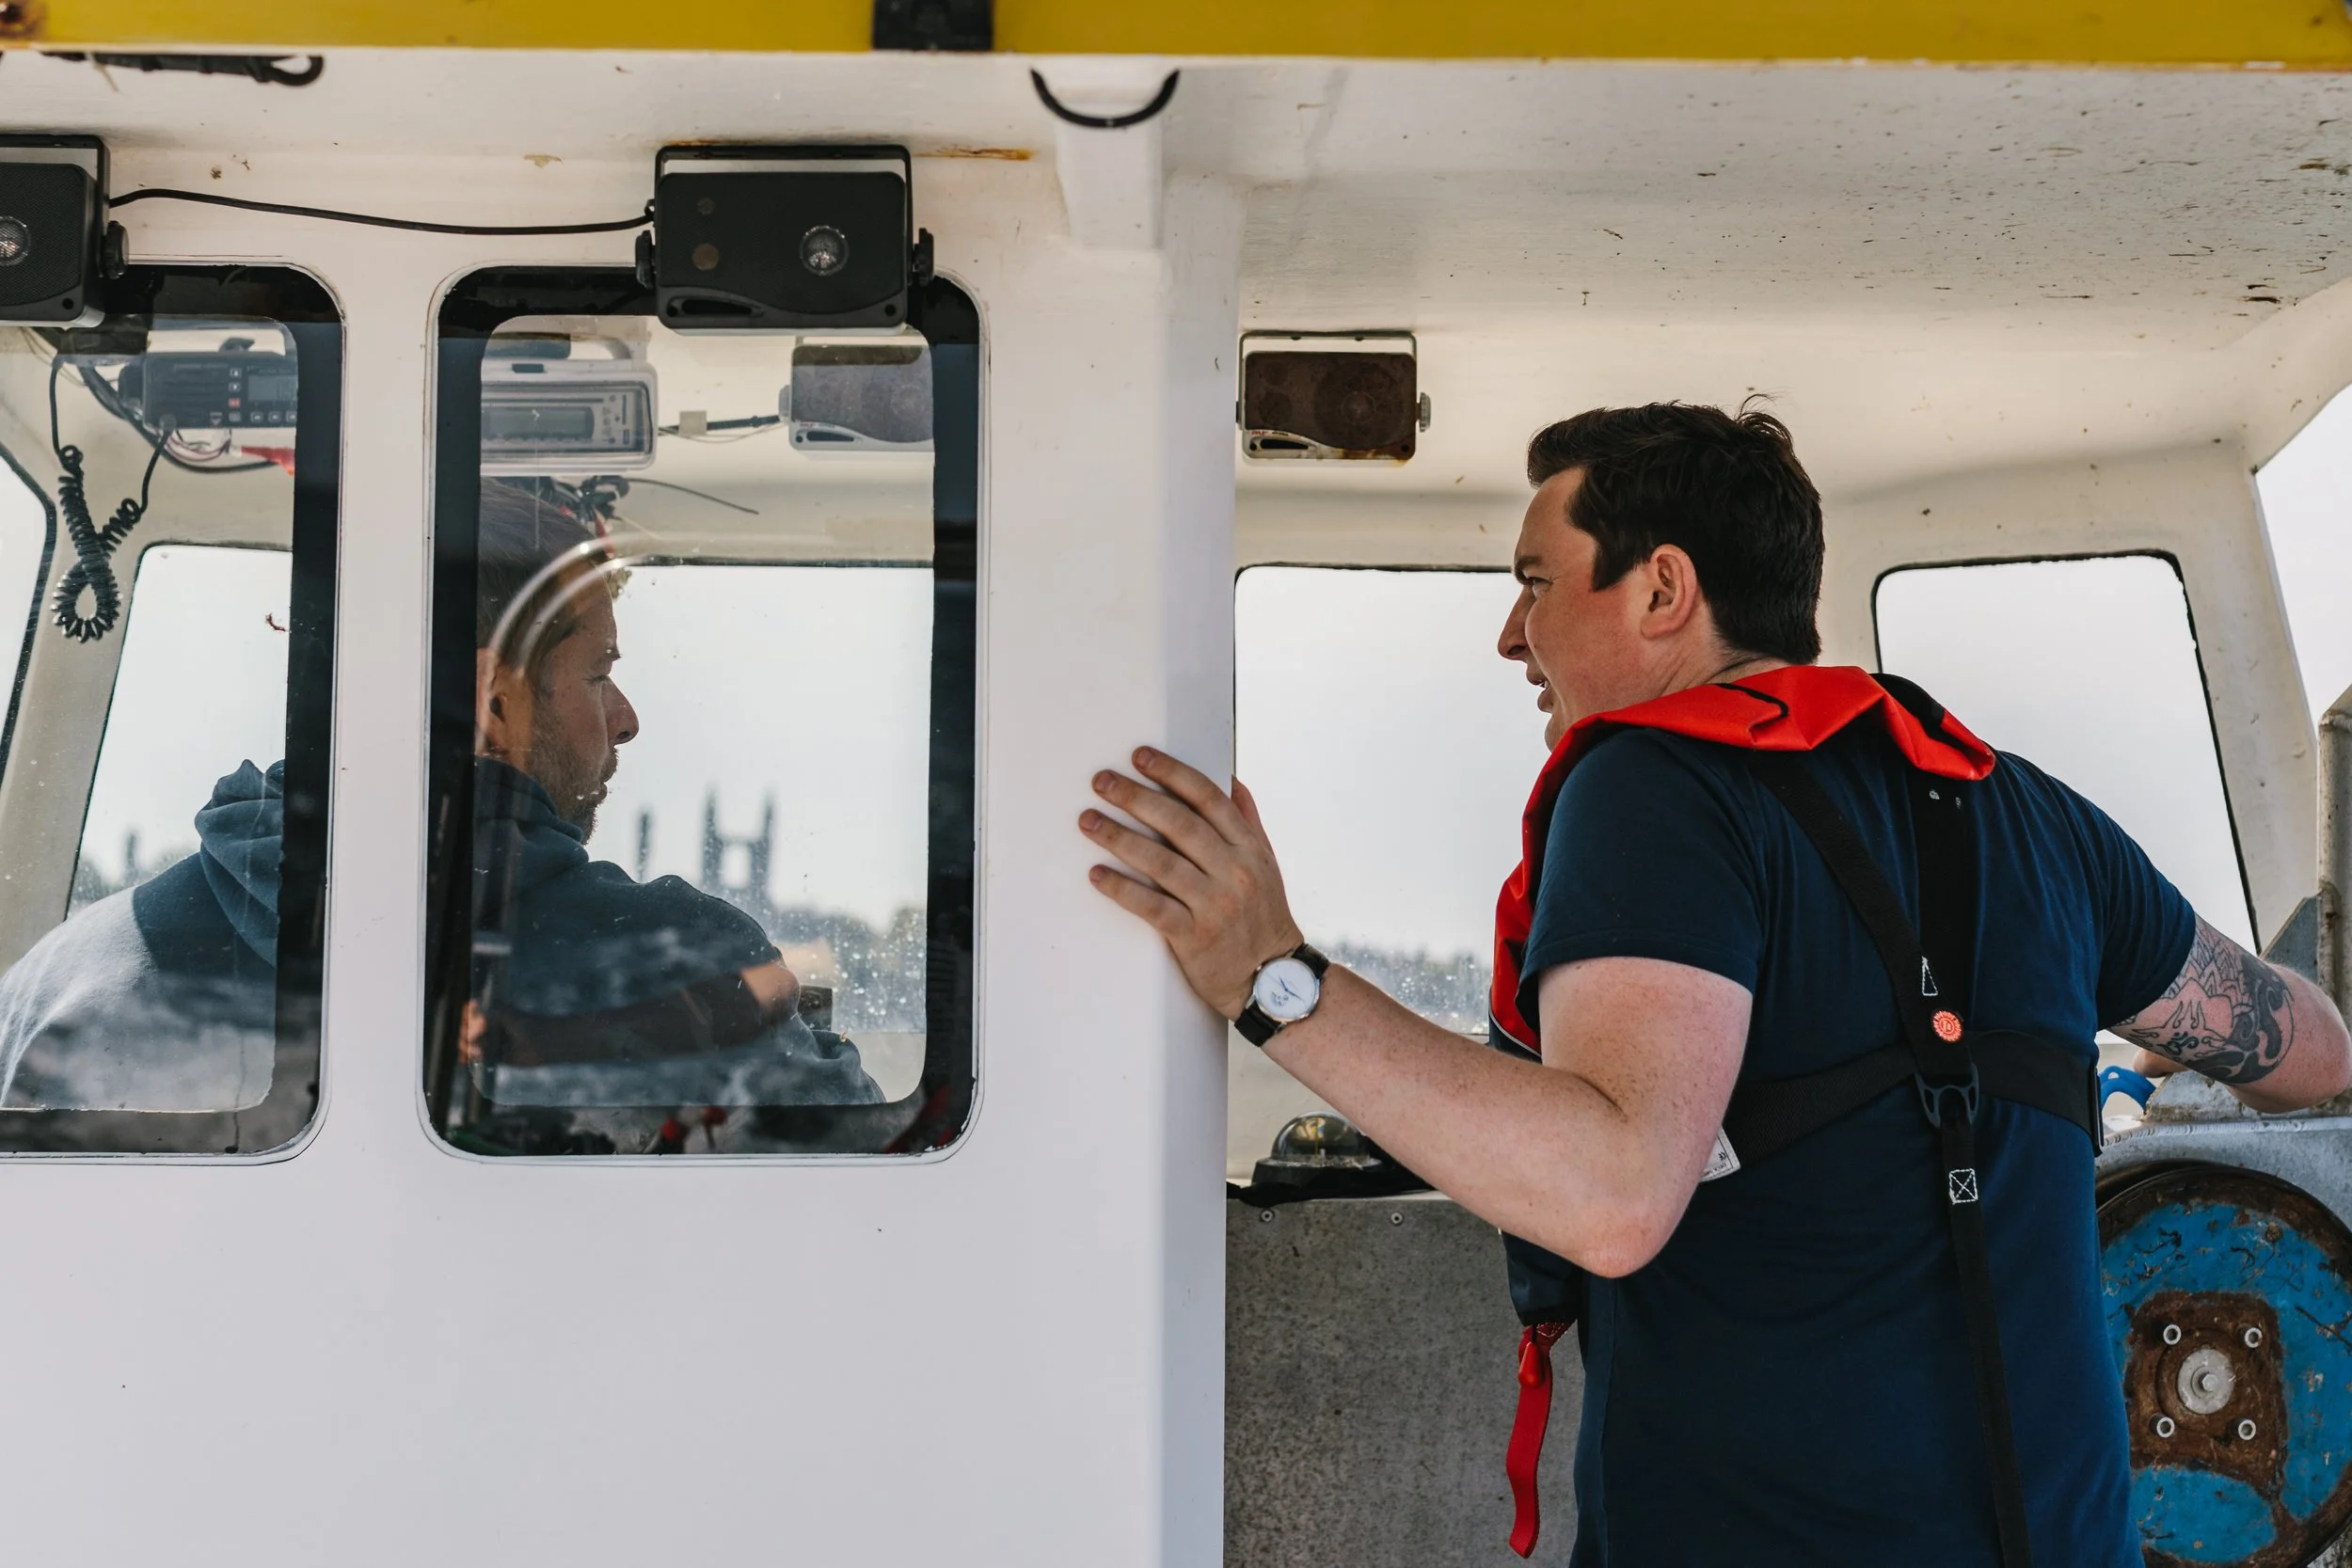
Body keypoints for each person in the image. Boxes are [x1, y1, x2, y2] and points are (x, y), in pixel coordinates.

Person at [1078, 403, 2352, 1566]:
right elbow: (2308, 1048)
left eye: (1535, 582)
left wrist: (1273, 974)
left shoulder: (1655, 787)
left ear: (1662, 590)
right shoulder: (2035, 818)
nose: (1512, 632)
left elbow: (1616, 1193)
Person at [459, 478, 878, 1140]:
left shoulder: (243, 899)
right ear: (495, 703)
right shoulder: (682, 954)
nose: (626, 720)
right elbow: (881, 1155)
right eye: (598, 675)